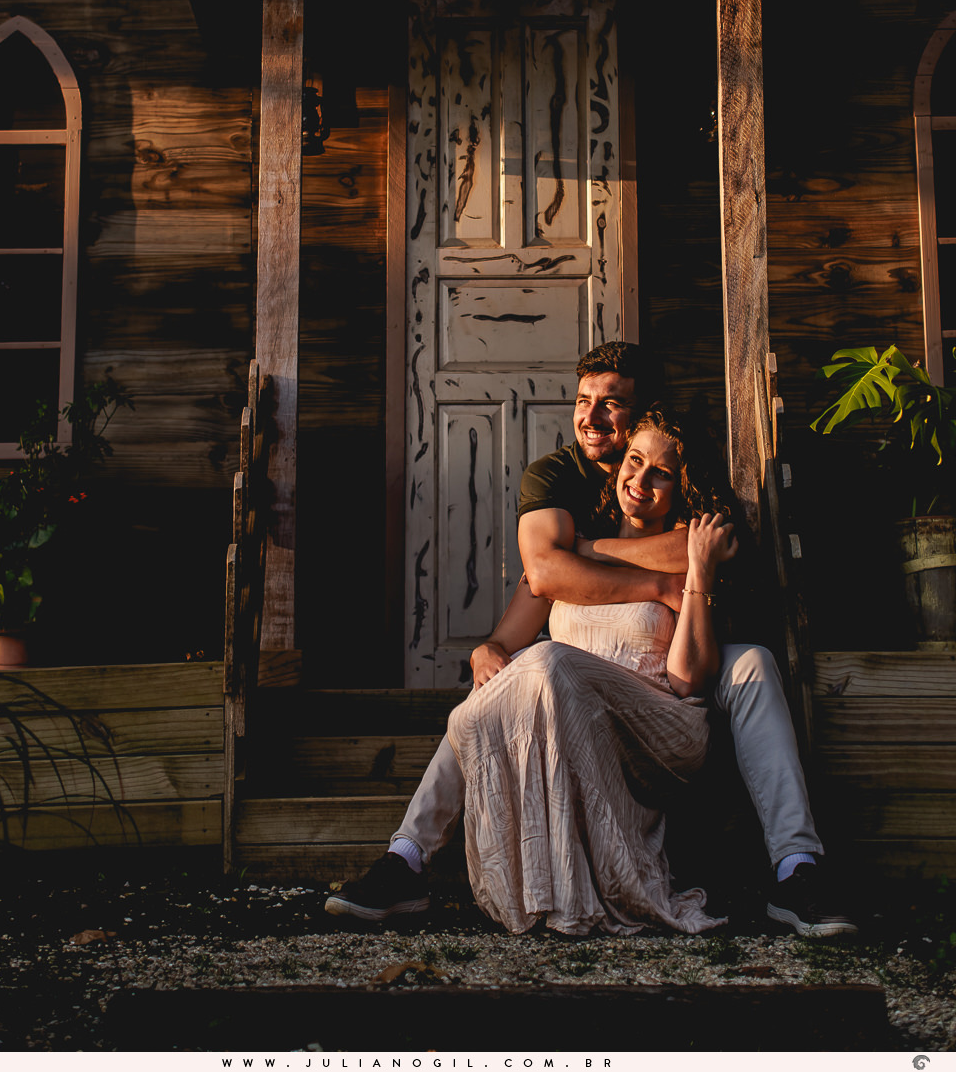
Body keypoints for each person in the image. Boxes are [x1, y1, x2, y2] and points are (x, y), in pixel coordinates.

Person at [324, 341, 856, 937]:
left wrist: (588, 556)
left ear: (644, 418)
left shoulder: (683, 490)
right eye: (585, 402)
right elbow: (542, 578)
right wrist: (493, 646)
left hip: (662, 689)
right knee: (502, 684)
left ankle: (797, 867)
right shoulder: (560, 481)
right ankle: (407, 860)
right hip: (581, 684)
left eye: (613, 406)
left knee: (751, 661)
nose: (595, 421)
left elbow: (695, 548)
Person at [446, 410, 735, 935]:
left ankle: (602, 888)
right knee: (475, 710)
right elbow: (505, 635)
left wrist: (698, 576)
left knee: (550, 660)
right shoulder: (577, 552)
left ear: (682, 485)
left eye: (661, 473)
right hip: (570, 711)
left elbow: (690, 679)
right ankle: (539, 888)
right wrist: (484, 652)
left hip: (660, 724)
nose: (640, 480)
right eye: (634, 461)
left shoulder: (686, 554)